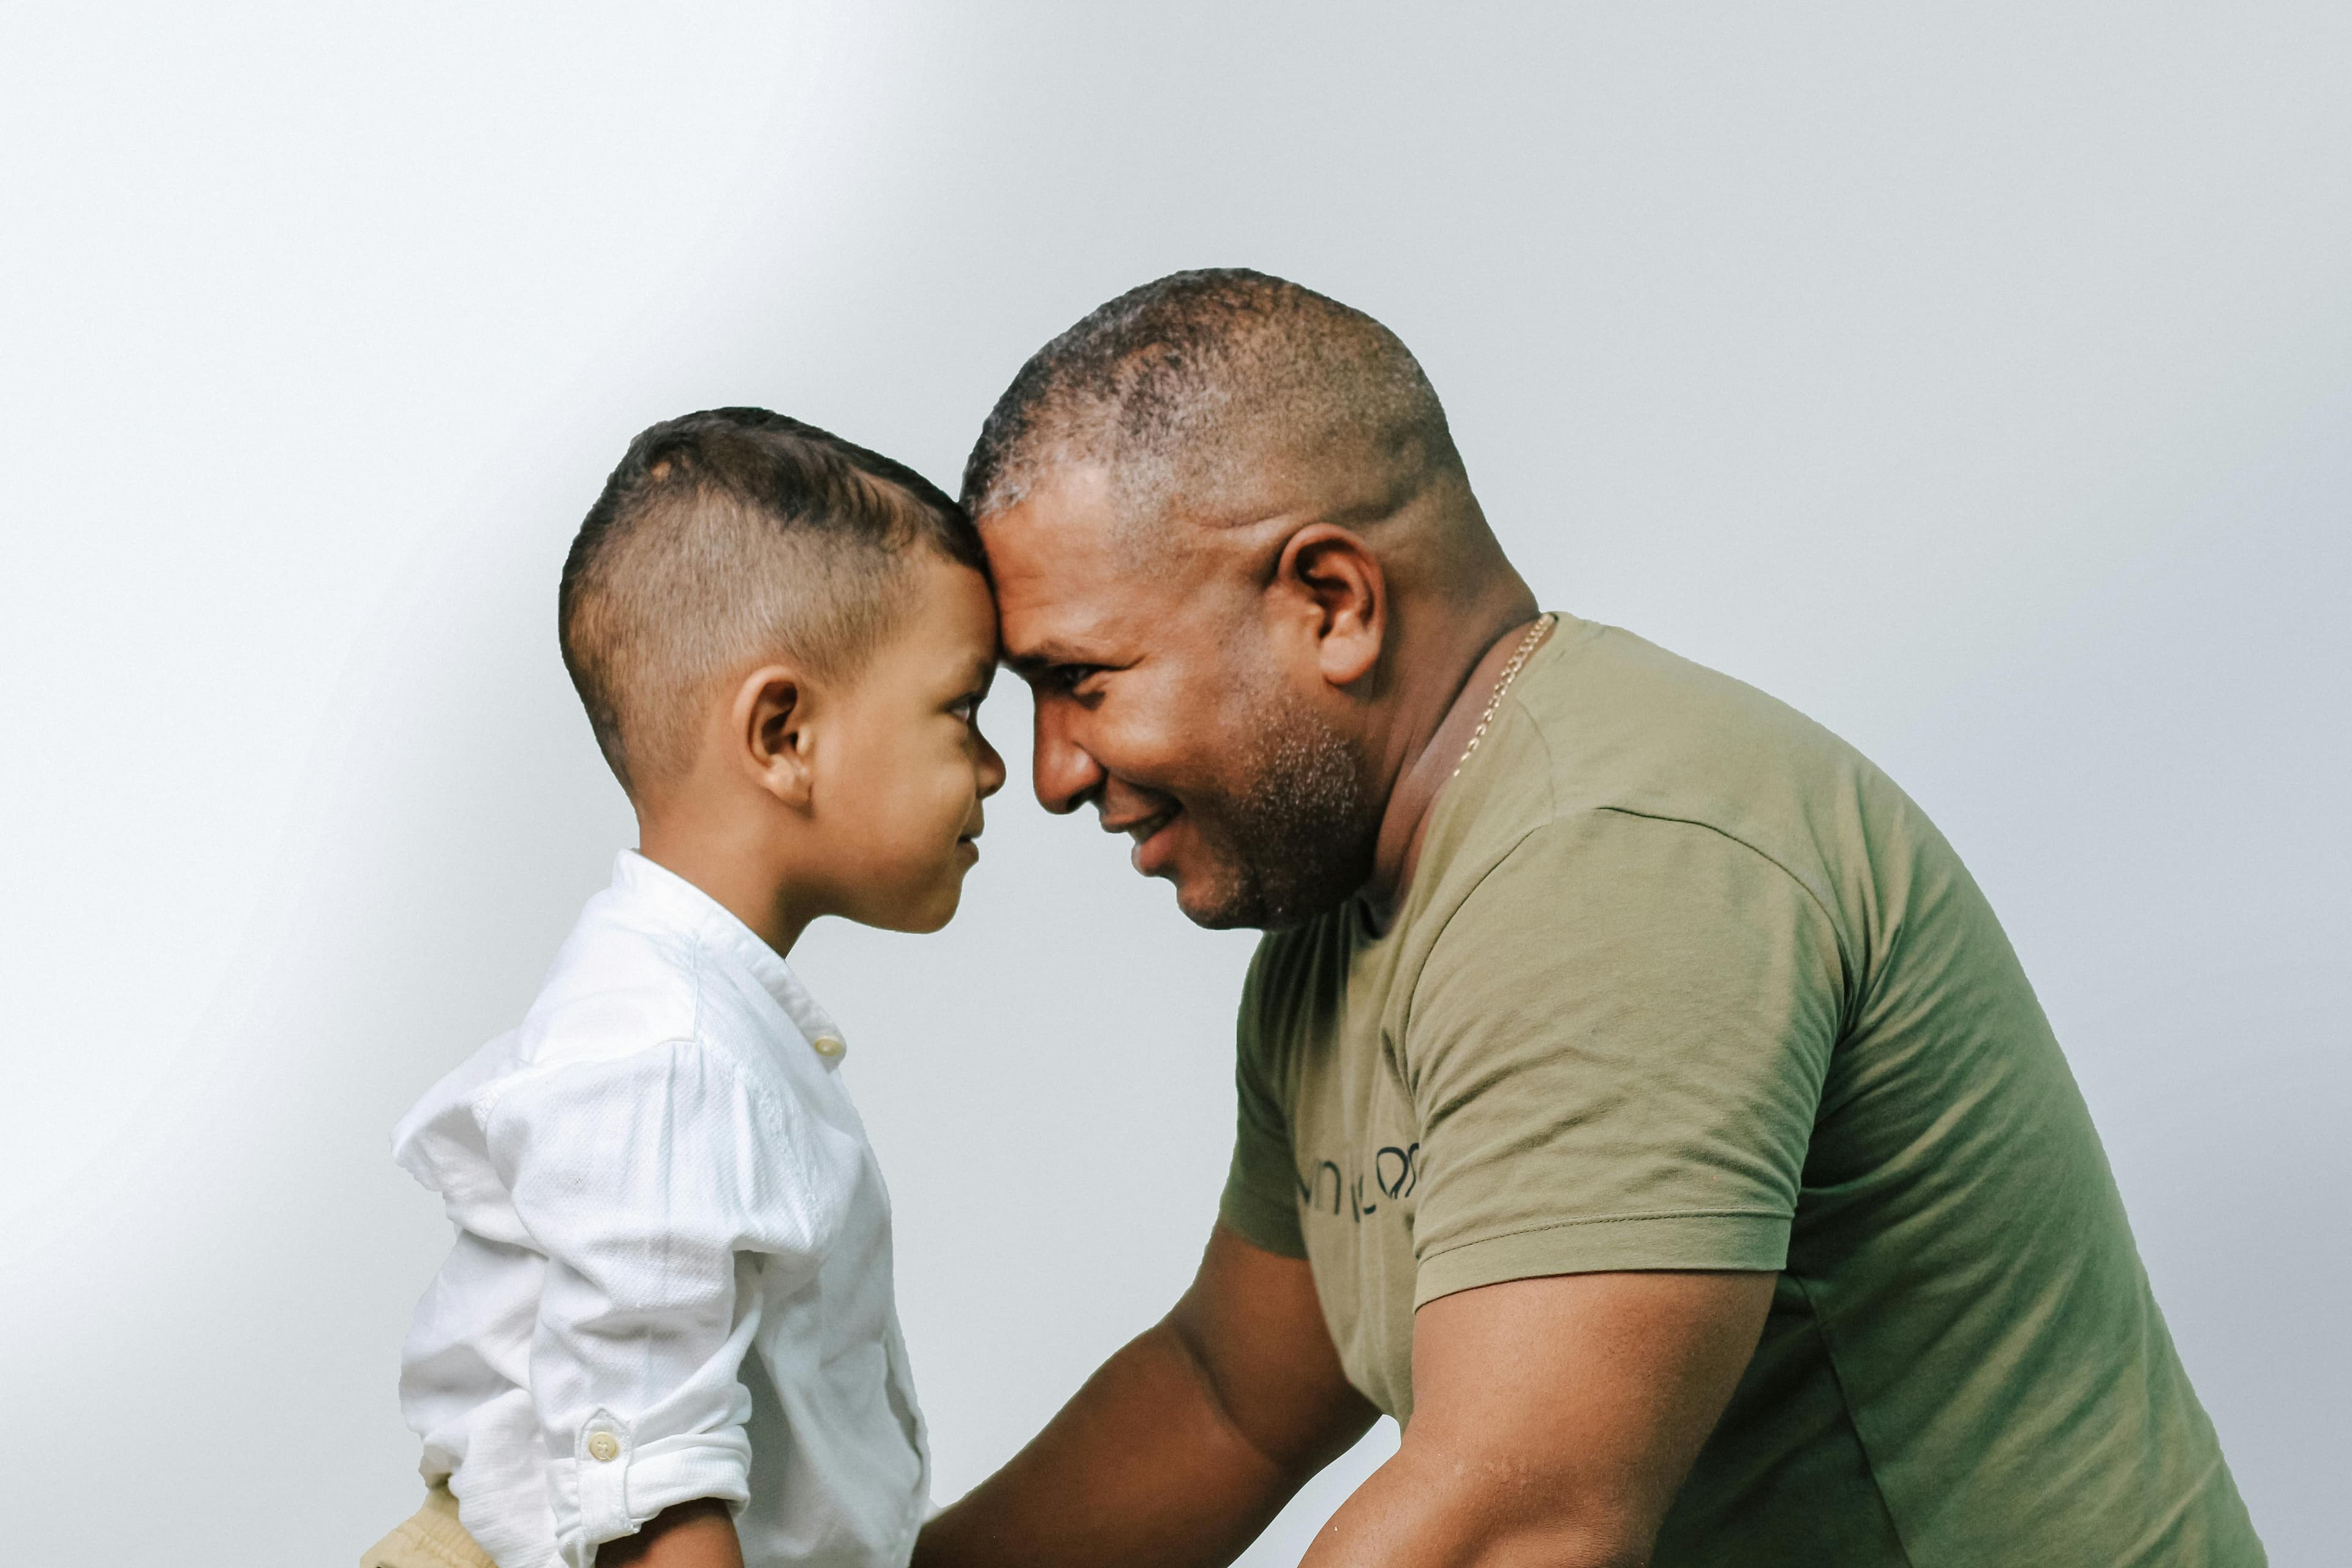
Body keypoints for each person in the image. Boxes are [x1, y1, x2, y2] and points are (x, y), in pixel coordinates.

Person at [916, 270, 2263, 1567]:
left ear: (1332, 602)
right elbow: (1228, 1396)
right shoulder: (1340, 932)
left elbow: (1515, 1527)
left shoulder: (1610, 862)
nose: (1051, 772)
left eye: (1082, 679)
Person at [363, 408, 1006, 1568]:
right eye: (963, 707)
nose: (999, 765)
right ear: (783, 733)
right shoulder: (667, 1055)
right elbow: (651, 1495)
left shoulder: (702, 1026)